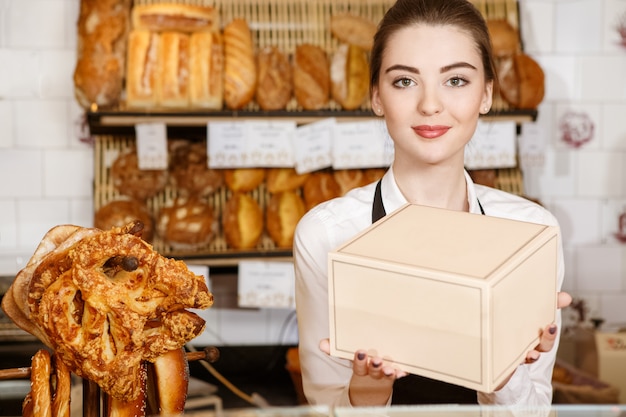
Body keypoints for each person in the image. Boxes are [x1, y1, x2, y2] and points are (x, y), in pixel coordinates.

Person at [293, 0, 571, 409]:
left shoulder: (532, 233)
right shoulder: (328, 234)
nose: (430, 104)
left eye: (456, 80)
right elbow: (325, 407)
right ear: (376, 97)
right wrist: (370, 388)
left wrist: (505, 371)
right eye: (405, 81)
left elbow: (534, 410)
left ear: (487, 94)